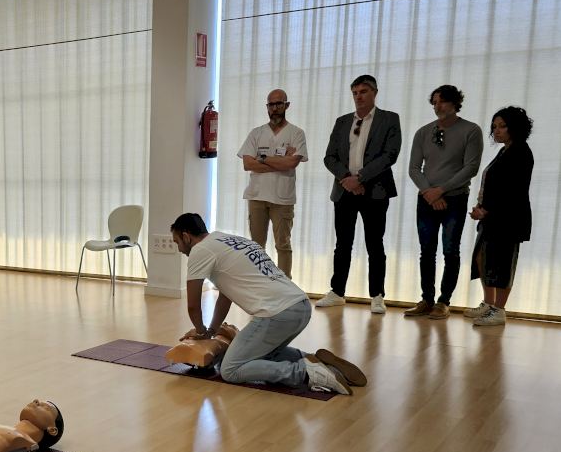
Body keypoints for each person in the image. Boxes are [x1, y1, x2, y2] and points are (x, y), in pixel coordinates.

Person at [170, 212, 365, 395]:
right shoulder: (230, 240)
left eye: (177, 241)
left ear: (186, 237)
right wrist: (211, 330)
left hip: (277, 314)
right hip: (301, 306)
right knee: (259, 355)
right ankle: (313, 359)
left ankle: (307, 372)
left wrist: (200, 331)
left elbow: (193, 305)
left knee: (229, 369)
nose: (179, 248)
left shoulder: (200, 251)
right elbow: (225, 297)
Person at [318, 74, 402, 314]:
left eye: (363, 92)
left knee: (375, 243)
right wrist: (348, 179)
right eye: (355, 93)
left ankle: (377, 295)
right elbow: (329, 157)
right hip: (345, 189)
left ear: (375, 93)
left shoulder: (389, 119)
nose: (358, 97)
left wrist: (361, 178)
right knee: (342, 243)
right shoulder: (343, 121)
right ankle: (337, 292)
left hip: (374, 190)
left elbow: (390, 155)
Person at [405, 85, 484, 320]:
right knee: (427, 251)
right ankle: (427, 299)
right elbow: (413, 168)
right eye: (434, 103)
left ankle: (443, 301)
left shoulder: (471, 130)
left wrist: (441, 190)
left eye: (442, 102)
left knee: (450, 250)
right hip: (426, 199)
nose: (437, 106)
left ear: (455, 103)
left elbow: (471, 167)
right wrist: (429, 192)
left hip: (455, 199)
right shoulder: (423, 132)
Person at [466, 107, 534, 327]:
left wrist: (486, 210)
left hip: (508, 218)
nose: (497, 130)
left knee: (503, 263)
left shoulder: (521, 152)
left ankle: (499, 310)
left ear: (516, 127)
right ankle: (488, 304)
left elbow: (513, 191)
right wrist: (481, 206)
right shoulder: (505, 150)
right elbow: (493, 185)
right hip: (491, 217)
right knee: (482, 258)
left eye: (503, 126)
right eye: (494, 126)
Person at [238, 88, 307, 278]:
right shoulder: (256, 133)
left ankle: (284, 286)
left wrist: (261, 158)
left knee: (283, 245)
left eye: (279, 104)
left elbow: (291, 163)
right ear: (267, 107)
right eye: (271, 105)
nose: (274, 108)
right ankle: (259, 283)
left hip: (282, 199)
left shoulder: (296, 133)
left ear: (287, 105)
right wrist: (280, 162)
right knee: (256, 246)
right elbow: (247, 164)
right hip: (257, 196)